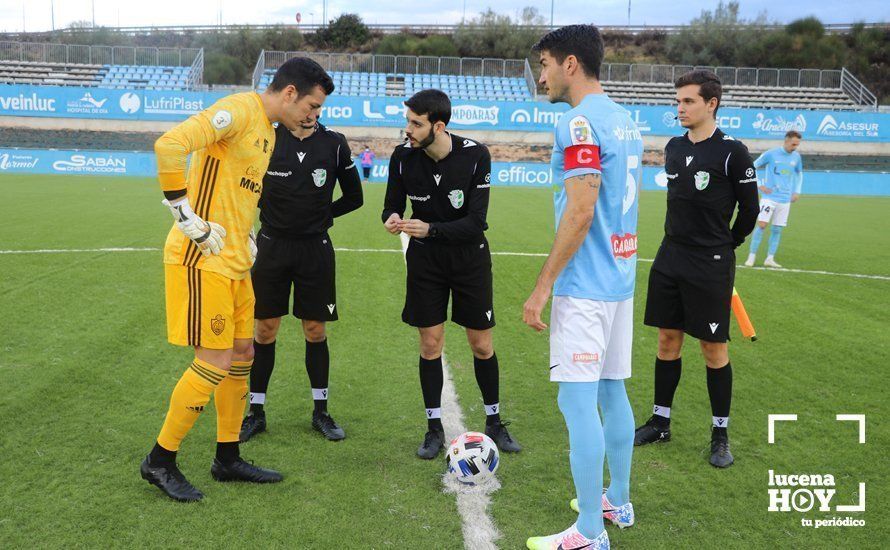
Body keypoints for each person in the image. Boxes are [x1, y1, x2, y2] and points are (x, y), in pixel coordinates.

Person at [139, 57, 335, 502]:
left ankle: (227, 456)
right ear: (289, 93)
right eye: (312, 106)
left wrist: (245, 235)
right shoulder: (238, 110)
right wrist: (184, 215)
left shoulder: (269, 132)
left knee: (244, 351)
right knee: (214, 359)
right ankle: (160, 459)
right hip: (200, 255)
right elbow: (170, 145)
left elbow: (234, 190)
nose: (313, 115)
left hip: (235, 262)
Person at [523, 25, 641, 550]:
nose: (540, 76)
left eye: (544, 64)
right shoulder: (625, 121)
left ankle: (590, 532)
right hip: (619, 280)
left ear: (570, 64)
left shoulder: (578, 122)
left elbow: (581, 209)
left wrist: (543, 286)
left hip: (587, 285)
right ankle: (618, 500)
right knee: (613, 390)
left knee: (577, 404)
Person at [382, 89, 521, 460]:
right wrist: (392, 219)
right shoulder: (402, 157)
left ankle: (494, 422)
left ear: (438, 125)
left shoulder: (476, 155)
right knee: (430, 345)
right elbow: (392, 205)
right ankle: (433, 428)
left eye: (416, 123)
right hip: (426, 263)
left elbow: (476, 222)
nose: (407, 129)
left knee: (481, 344)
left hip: (469, 261)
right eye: (407, 121)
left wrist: (431, 229)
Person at [634, 70, 759, 470]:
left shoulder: (732, 152)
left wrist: (726, 245)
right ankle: (660, 421)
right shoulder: (673, 147)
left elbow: (750, 210)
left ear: (711, 104)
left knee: (712, 348)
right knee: (667, 341)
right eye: (678, 101)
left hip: (711, 263)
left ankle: (719, 434)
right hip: (671, 256)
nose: (680, 108)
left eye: (688, 101)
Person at [239, 113, 364, 443]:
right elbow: (245, 187)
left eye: (318, 106)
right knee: (264, 330)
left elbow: (355, 197)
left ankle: (320, 411)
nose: (312, 114)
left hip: (315, 249)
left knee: (315, 329)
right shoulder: (267, 139)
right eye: (308, 105)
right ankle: (256, 413)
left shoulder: (334, 144)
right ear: (293, 103)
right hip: (271, 247)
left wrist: (322, 216)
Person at [744, 130, 804, 268]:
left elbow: (799, 174)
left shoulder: (796, 157)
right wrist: (760, 185)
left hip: (785, 199)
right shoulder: (771, 154)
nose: (795, 147)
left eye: (797, 145)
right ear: (786, 141)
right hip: (769, 198)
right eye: (793, 144)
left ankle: (770, 258)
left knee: (777, 229)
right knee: (762, 225)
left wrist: (797, 191)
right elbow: (752, 167)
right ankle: (751, 257)